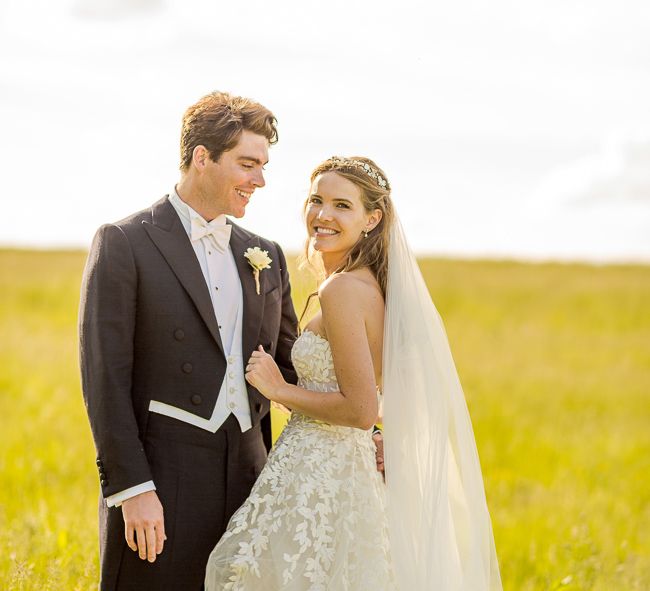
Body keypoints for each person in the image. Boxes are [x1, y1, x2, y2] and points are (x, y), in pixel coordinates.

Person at [205, 156, 503, 590]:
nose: (323, 215)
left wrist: (279, 388)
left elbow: (361, 409)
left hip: (323, 474)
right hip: (344, 467)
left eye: (342, 205)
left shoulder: (342, 289)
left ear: (372, 218)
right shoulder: (369, 285)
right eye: (316, 200)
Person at [78, 91, 299, 590]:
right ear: (202, 158)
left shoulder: (265, 255)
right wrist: (132, 488)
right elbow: (104, 381)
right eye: (247, 164)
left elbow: (297, 367)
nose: (259, 180)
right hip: (162, 479)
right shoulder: (125, 242)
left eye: (263, 166)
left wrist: (365, 430)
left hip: (250, 479)